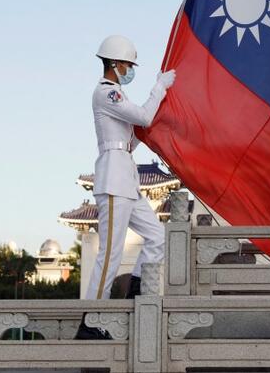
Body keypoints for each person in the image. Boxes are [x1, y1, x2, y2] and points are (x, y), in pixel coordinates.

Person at [75, 35, 176, 340]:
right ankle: (90, 322)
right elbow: (143, 116)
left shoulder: (118, 95)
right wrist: (159, 88)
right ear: (114, 64)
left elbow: (133, 136)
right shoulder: (107, 94)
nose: (130, 69)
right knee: (109, 255)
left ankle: (135, 286)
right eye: (128, 64)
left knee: (158, 236)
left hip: (127, 180)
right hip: (113, 179)